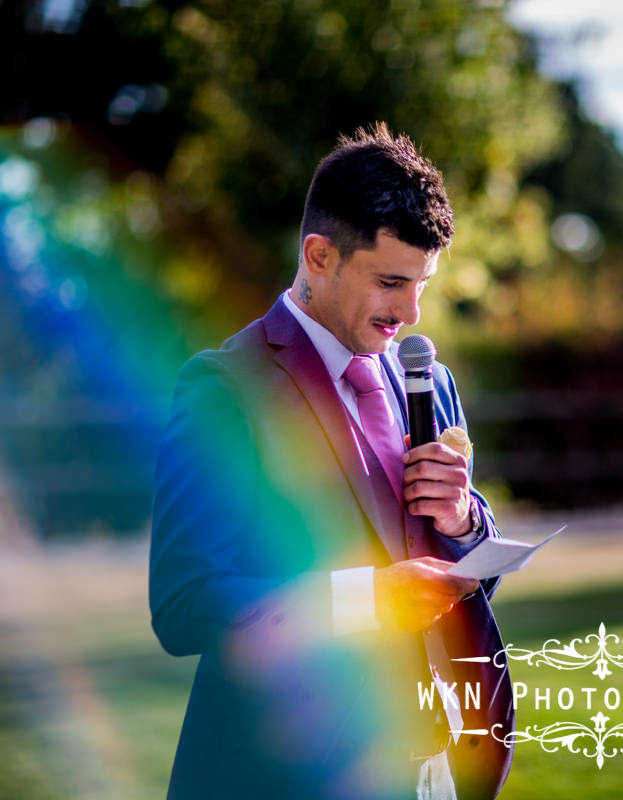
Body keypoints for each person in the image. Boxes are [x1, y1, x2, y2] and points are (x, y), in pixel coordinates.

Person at [150, 123, 513, 800]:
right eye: (390, 282)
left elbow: (461, 580)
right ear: (319, 256)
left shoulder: (430, 381)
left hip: (443, 769)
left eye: (423, 284)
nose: (410, 311)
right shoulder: (226, 388)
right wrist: (367, 598)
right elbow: (184, 604)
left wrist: (464, 521)